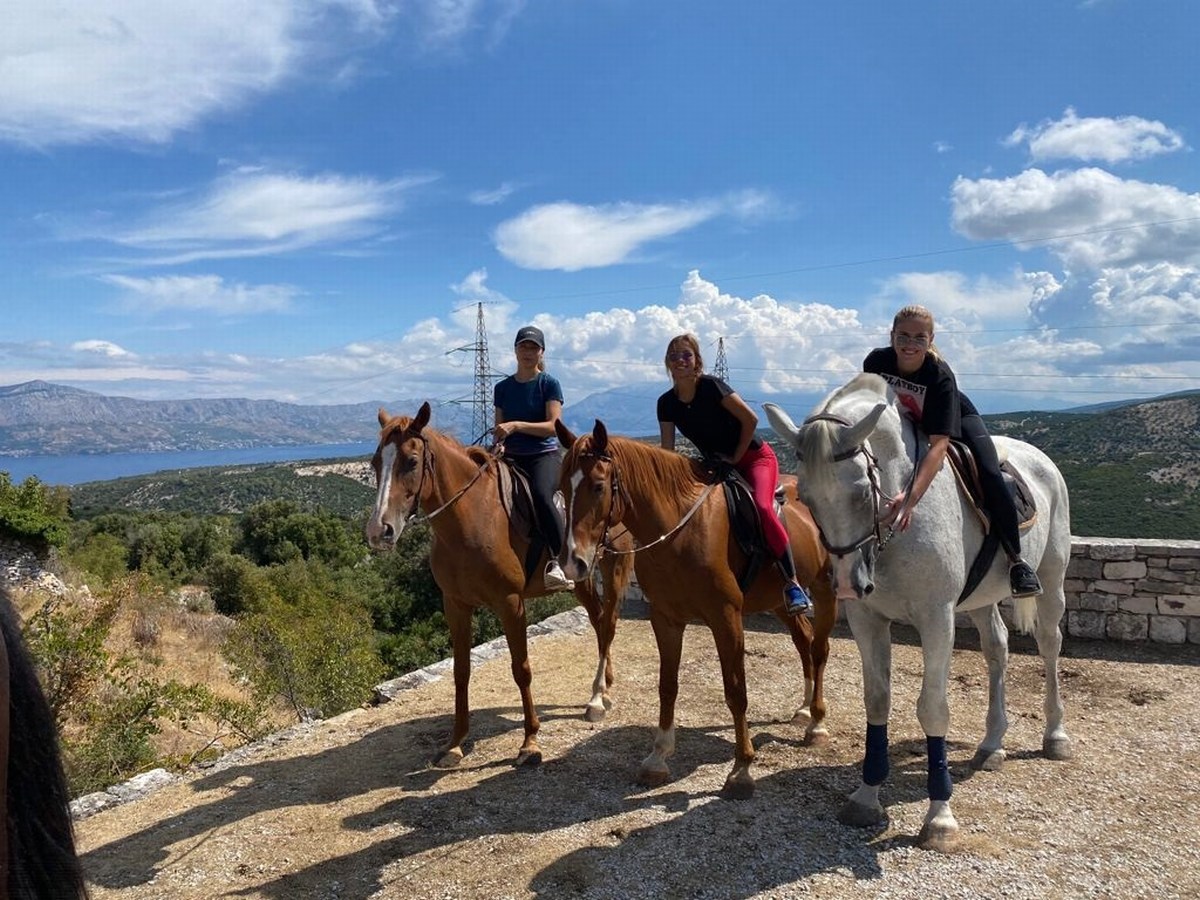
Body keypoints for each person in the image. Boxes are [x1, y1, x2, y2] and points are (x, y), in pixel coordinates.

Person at [863, 304, 1043, 597]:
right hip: (905, 424)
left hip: (955, 420)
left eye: (919, 337)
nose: (910, 344)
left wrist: (910, 499)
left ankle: (1016, 562)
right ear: (892, 335)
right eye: (904, 336)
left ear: (931, 339)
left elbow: (940, 446)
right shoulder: (875, 362)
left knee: (989, 472)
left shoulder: (939, 376)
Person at [656, 333, 812, 615]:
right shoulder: (666, 403)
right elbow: (668, 452)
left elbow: (750, 420)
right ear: (667, 363)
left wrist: (735, 458)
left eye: (686, 355)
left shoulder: (712, 387)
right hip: (716, 462)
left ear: (697, 362)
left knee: (763, 507)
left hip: (753, 458)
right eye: (674, 355)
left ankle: (792, 582)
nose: (680, 360)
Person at [493, 325, 574, 592]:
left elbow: (553, 426)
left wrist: (517, 426)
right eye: (523, 346)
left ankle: (560, 560)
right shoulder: (502, 388)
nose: (528, 352)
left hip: (544, 455)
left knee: (541, 494)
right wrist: (500, 444)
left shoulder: (548, 383)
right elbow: (499, 429)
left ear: (541, 352)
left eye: (533, 347)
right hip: (511, 457)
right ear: (515, 350)